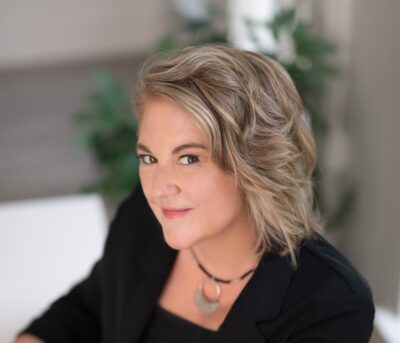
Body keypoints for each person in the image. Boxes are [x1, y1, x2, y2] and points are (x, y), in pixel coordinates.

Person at [14, 44, 375, 343]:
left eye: (188, 158)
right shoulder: (142, 221)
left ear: (254, 164)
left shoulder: (331, 303)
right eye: (149, 157)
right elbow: (88, 310)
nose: (158, 187)